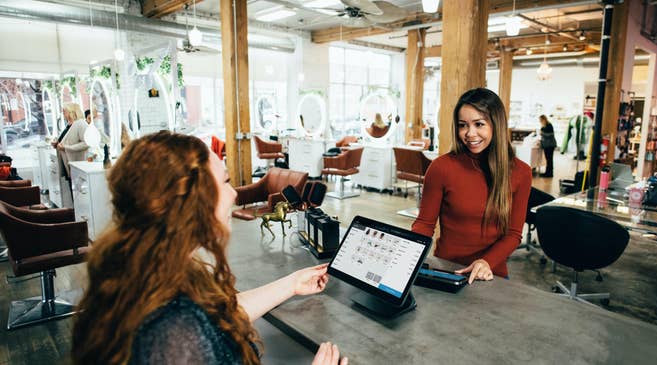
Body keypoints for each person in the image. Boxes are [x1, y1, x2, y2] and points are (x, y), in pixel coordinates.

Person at [72, 131, 347, 365]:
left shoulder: (144, 271)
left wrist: (291, 284)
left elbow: (217, 316)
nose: (234, 194)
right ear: (192, 201)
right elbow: (195, 326)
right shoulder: (173, 333)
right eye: (225, 182)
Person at [412, 88, 532, 283]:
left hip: (491, 274)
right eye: (462, 125)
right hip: (446, 270)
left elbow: (513, 234)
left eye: (479, 124)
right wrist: (408, 254)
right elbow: (424, 225)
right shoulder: (441, 167)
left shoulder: (521, 173)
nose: (469, 133)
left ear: (496, 124)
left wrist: (485, 262)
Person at [57, 102, 88, 177]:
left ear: (72, 112)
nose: (63, 113)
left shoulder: (81, 124)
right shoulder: (69, 125)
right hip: (68, 160)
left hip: (77, 162)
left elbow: (86, 143)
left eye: (64, 111)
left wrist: (66, 147)